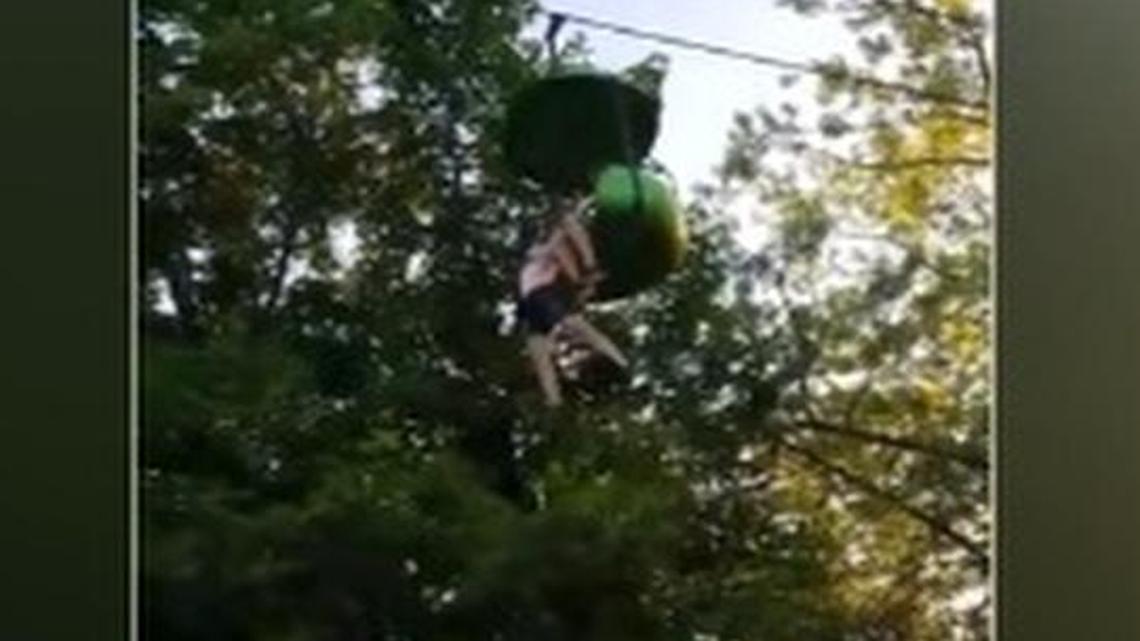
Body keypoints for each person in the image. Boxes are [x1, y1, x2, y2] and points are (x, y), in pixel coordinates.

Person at [517, 198, 629, 407]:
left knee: (576, 326)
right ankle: (554, 400)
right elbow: (554, 241)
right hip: (532, 300)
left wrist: (581, 207)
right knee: (539, 352)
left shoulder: (546, 255)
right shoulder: (536, 256)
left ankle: (619, 361)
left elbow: (559, 238)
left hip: (542, 294)